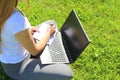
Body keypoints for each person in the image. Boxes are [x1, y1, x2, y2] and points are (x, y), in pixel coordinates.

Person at [0, 0, 73, 80]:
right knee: (67, 72)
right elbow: (35, 51)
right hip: (19, 67)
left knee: (51, 23)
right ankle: (45, 58)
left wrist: (25, 31)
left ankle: (46, 57)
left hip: (17, 53)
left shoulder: (4, 7)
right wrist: (48, 34)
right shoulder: (16, 19)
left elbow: (7, 29)